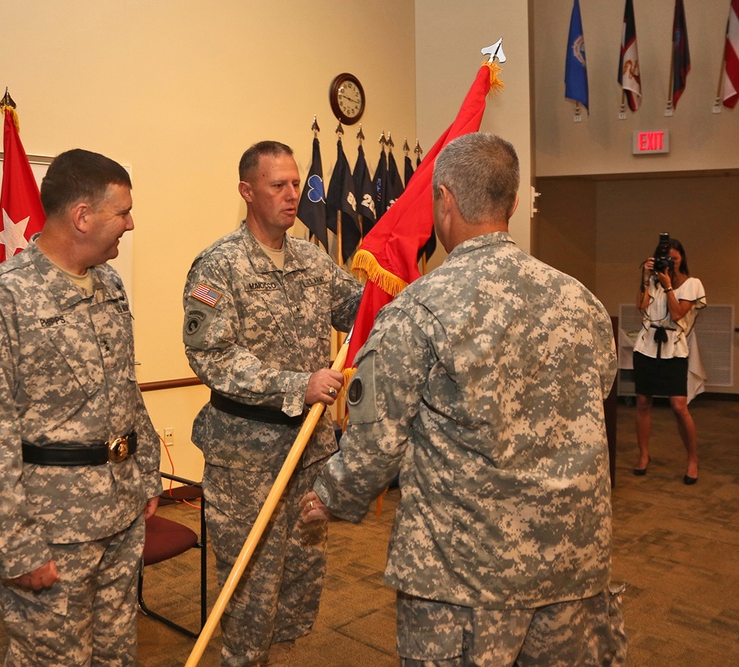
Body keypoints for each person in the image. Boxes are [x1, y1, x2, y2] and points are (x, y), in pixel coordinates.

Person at [301, 133, 624, 666]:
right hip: (573, 564)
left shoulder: (418, 309)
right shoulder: (580, 300)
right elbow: (598, 391)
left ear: (443, 200)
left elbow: (376, 439)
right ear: (514, 204)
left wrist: (333, 497)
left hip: (465, 576)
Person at [0, 149, 162, 666]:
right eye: (123, 212)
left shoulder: (109, 285)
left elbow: (122, 389)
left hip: (121, 509)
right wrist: (14, 543)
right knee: (53, 659)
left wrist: (147, 470)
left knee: (116, 653)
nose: (130, 224)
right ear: (82, 216)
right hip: (51, 528)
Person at [182, 140, 362, 666]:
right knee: (250, 592)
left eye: (296, 183)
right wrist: (295, 385)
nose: (292, 194)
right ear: (247, 191)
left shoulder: (311, 257)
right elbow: (210, 355)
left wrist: (387, 282)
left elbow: (355, 309)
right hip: (247, 459)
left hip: (310, 452)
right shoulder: (219, 266)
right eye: (277, 185)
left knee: (298, 584)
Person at [632, 237, 706, 484]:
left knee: (678, 406)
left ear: (682, 259)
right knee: (642, 402)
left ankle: (692, 459)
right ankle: (644, 455)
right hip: (646, 347)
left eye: (675, 259)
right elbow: (641, 306)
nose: (670, 263)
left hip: (674, 349)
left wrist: (668, 287)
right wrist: (646, 278)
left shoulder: (692, 284)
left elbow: (676, 314)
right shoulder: (652, 282)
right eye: (666, 259)